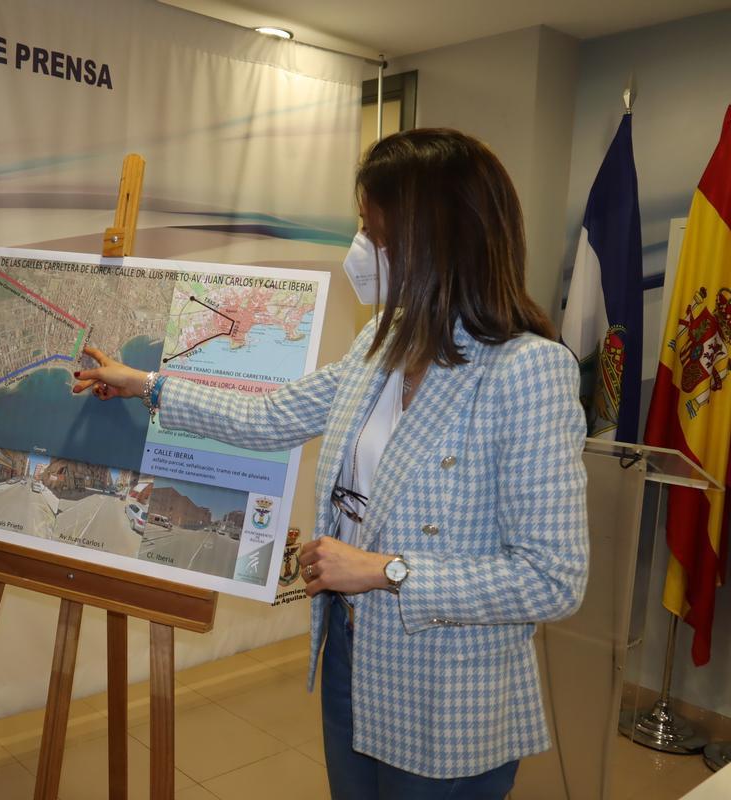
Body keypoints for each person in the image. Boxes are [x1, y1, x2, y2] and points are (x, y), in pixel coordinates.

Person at [72, 128, 588, 799]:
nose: (361, 251)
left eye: (373, 231)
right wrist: (146, 383)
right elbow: (269, 416)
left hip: (448, 694)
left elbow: (553, 578)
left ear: (433, 240)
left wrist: (386, 572)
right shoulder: (381, 341)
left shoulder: (527, 370)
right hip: (351, 653)